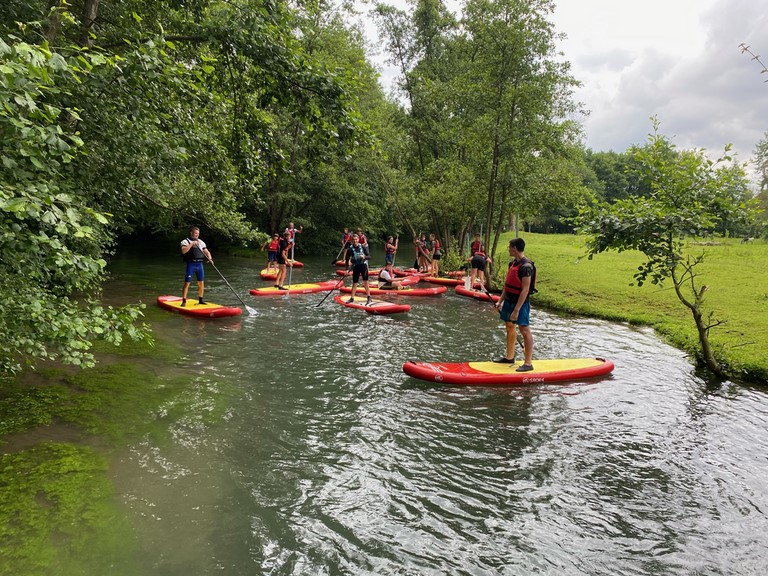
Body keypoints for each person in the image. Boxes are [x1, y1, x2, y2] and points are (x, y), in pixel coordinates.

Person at [494, 237, 534, 371]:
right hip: (509, 300)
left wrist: (516, 310)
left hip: (520, 303)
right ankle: (509, 357)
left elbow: (525, 290)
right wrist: (500, 301)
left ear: (515, 248)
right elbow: (507, 285)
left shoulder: (526, 267)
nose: (508, 249)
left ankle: (528, 363)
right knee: (509, 326)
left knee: (524, 329)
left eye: (509, 247)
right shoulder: (512, 264)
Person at [180, 226, 213, 307]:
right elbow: (184, 251)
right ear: (191, 233)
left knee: (201, 283)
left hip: (199, 264)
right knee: (187, 283)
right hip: (191, 264)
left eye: (198, 233)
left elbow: (206, 251)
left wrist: (210, 258)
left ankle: (201, 300)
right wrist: (191, 244)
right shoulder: (185, 241)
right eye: (195, 233)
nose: (197, 235)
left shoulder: (201, 242)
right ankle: (184, 301)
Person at [346, 234, 371, 304]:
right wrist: (347, 269)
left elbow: (369, 256)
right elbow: (347, 259)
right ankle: (352, 298)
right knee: (354, 283)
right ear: (352, 240)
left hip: (363, 266)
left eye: (356, 239)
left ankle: (369, 297)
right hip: (356, 267)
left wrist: (364, 257)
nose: (355, 241)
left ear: (358, 240)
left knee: (365, 282)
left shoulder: (363, 247)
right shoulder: (350, 249)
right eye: (353, 240)